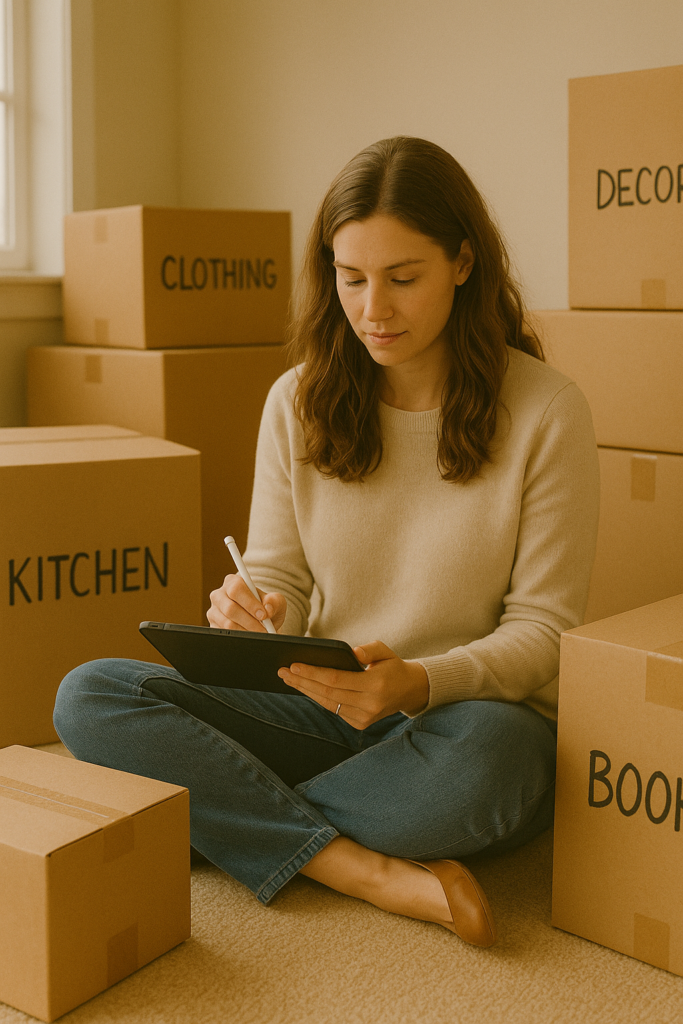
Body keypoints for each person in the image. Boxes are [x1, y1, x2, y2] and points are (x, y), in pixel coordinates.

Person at [54, 136, 600, 947]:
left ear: (461, 262)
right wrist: (257, 609)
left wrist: (417, 682)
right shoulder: (298, 399)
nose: (372, 308)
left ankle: (227, 815)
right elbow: (281, 577)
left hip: (455, 721)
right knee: (90, 695)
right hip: (321, 705)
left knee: (498, 764)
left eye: (401, 278)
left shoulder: (547, 410)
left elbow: (544, 632)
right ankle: (358, 867)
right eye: (350, 279)